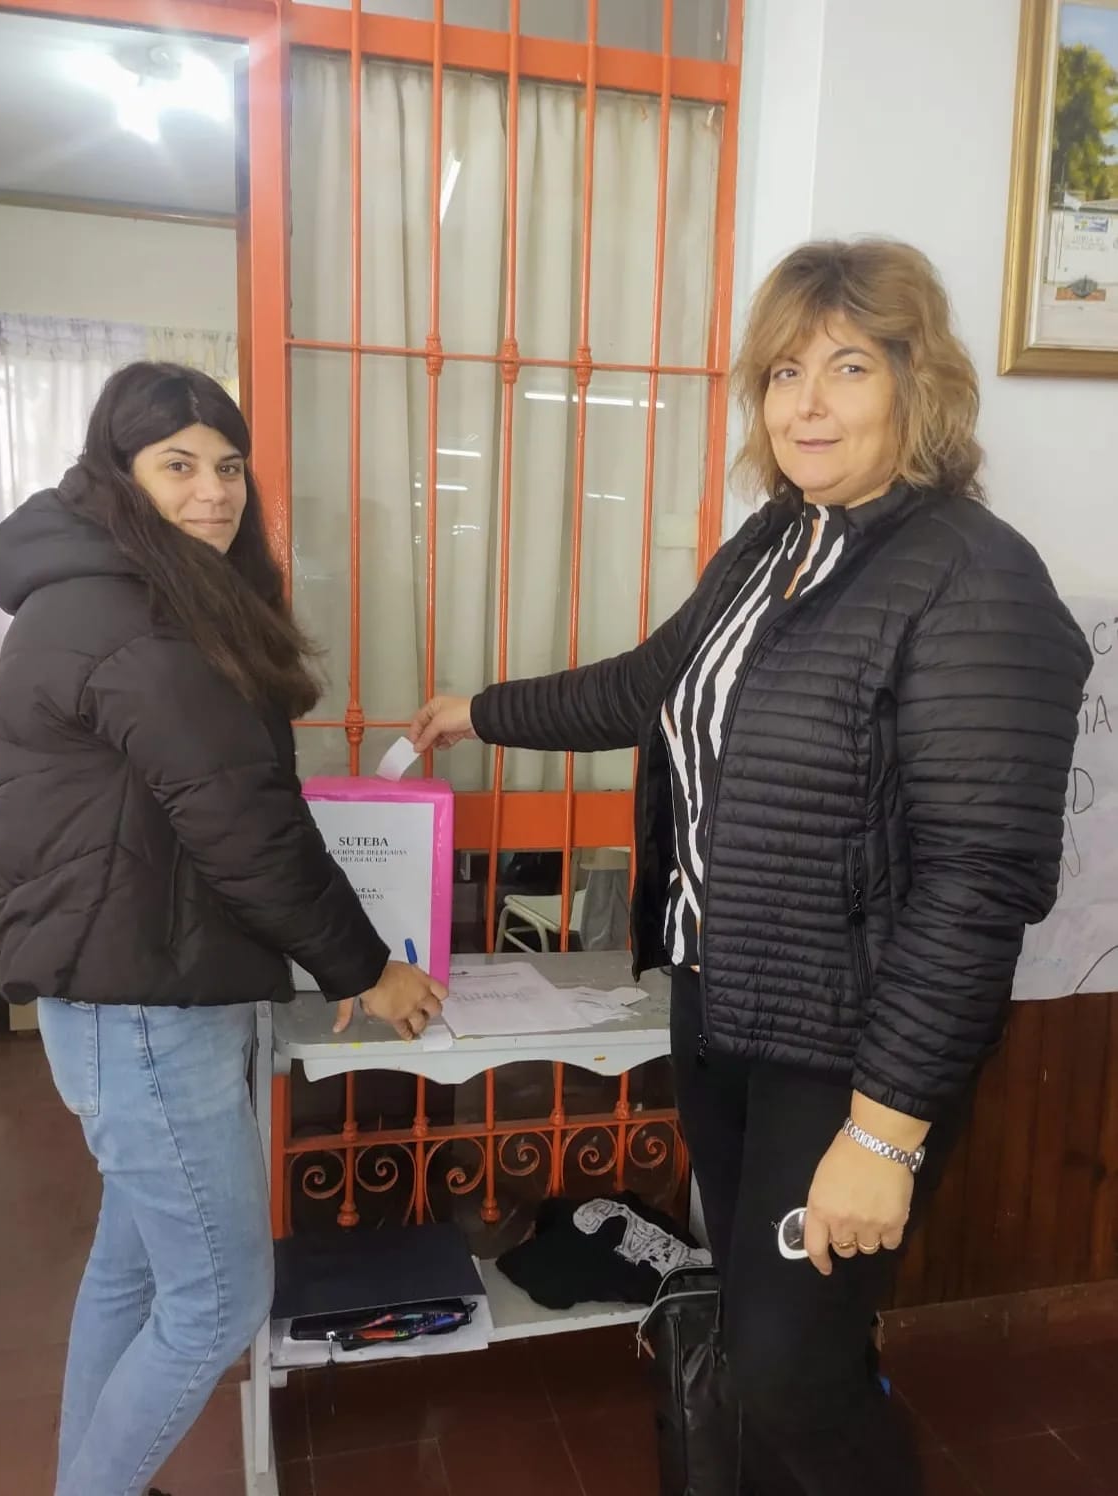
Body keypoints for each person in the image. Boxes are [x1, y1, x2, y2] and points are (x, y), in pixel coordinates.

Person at [411, 240, 1091, 1495]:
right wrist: (481, 709)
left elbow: (978, 880)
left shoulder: (976, 577)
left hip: (845, 1049)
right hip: (723, 1008)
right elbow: (645, 682)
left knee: (788, 1368)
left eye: (848, 367)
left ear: (918, 384)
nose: (807, 404)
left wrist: (883, 1134)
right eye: (784, 372)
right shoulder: (776, 542)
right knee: (778, 1334)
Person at [0, 362, 446, 1496]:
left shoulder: (124, 591)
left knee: (135, 1268)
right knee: (219, 1299)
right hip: (147, 1004)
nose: (213, 492)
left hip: (134, 988)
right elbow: (247, 826)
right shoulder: (130, 614)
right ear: (119, 475)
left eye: (229, 466)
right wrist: (367, 968)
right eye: (178, 464)